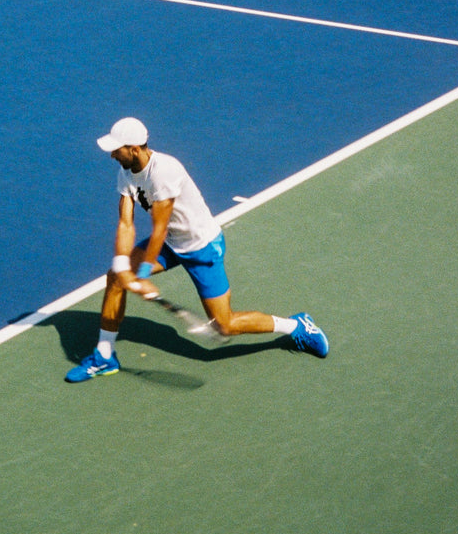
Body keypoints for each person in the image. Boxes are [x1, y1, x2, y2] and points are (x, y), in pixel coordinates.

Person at [65, 117, 328, 382]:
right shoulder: (126, 171)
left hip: (201, 248)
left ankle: (296, 325)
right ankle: (104, 355)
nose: (111, 154)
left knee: (224, 325)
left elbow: (160, 228)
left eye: (116, 148)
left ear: (134, 148)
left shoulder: (164, 171)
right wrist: (123, 266)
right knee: (115, 278)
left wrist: (142, 275)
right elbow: (125, 223)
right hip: (169, 245)